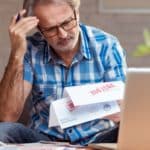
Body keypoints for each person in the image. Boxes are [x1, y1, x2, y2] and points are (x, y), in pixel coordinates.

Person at [0, 0, 127, 146]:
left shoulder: (107, 46)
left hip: (97, 138)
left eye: (67, 22)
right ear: (40, 29)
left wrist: (123, 110)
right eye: (50, 29)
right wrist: (17, 52)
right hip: (44, 139)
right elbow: (7, 116)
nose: (62, 34)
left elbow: (125, 110)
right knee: (4, 131)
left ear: (77, 13)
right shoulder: (31, 49)